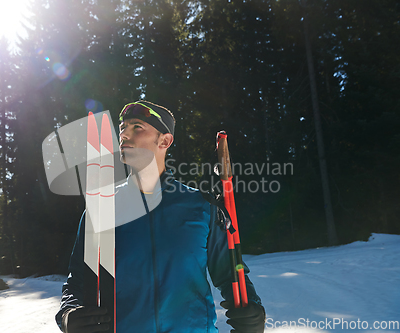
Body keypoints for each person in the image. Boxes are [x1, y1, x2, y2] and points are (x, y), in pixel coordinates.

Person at [55, 101, 265, 333]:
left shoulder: (202, 206)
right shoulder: (101, 210)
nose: (123, 134)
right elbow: (78, 282)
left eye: (137, 127)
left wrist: (253, 310)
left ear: (164, 141)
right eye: (122, 127)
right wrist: (68, 315)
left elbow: (231, 273)